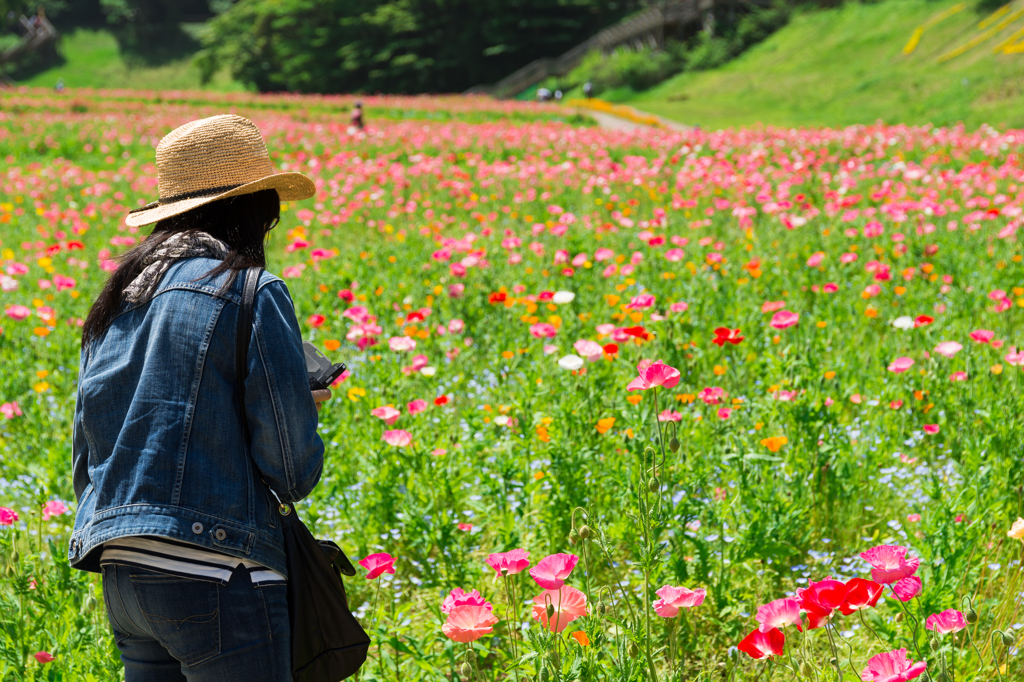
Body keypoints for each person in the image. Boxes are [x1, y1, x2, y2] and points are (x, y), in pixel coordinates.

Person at [68, 114, 329, 682]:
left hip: (124, 568)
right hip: (218, 568)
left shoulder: (113, 300)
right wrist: (301, 405)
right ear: (252, 208)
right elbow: (291, 471)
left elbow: (87, 449)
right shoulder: (249, 290)